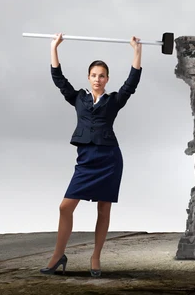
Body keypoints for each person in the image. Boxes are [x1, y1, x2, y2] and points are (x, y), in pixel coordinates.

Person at [39, 33, 142, 277]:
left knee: (104, 209)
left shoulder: (114, 100)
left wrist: (136, 51)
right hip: (86, 160)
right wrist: (54, 47)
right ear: (88, 77)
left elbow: (132, 82)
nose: (98, 79)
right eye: (94, 75)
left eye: (102, 76)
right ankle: (58, 255)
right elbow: (58, 79)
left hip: (109, 160)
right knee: (65, 207)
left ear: (107, 79)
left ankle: (96, 256)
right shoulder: (78, 98)